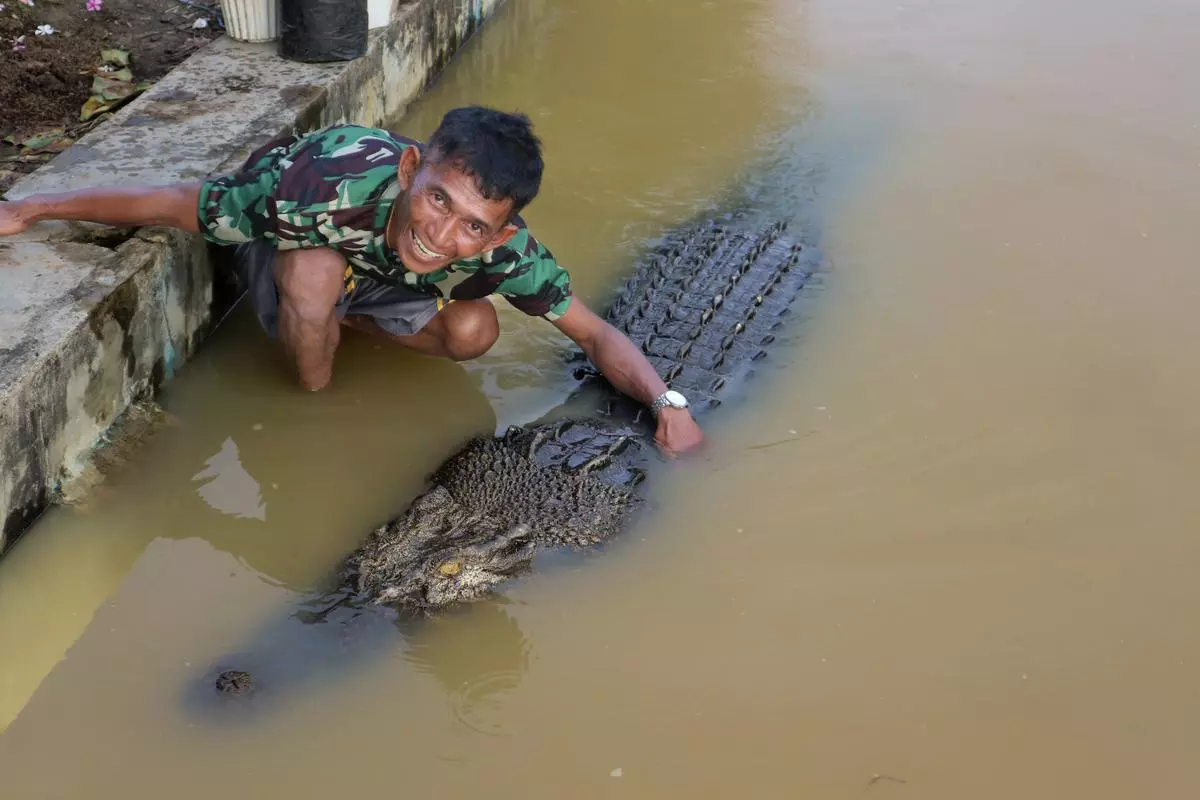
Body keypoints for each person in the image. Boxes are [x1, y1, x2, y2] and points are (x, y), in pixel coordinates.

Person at [0, 106, 704, 455]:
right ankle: (315, 392)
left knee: (476, 327)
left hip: (371, 282)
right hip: (293, 249)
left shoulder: (505, 250)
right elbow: (177, 202)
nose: (444, 234)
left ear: (499, 230)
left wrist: (667, 402)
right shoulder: (319, 186)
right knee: (312, 271)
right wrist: (36, 208)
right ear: (409, 173)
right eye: (437, 200)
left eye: (473, 227)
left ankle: (342, 322)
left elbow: (594, 332)